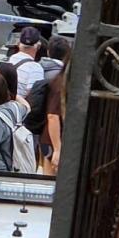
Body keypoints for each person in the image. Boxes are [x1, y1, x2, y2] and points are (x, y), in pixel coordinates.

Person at [39, 36, 72, 175]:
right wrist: (58, 149)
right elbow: (52, 116)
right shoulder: (60, 84)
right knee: (49, 182)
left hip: (52, 139)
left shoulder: (61, 80)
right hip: (54, 141)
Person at [6, 27, 45, 99]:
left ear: (18, 44)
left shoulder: (10, 59)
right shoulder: (36, 69)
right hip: (20, 108)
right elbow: (33, 96)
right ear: (38, 46)